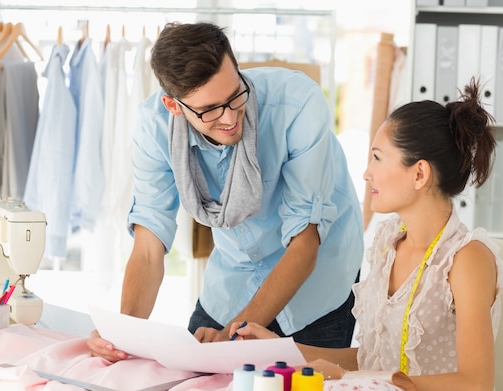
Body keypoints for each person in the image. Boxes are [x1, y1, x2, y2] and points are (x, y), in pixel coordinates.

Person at [231, 78, 503, 391]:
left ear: (419, 174)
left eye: (378, 158)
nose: (367, 174)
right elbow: (368, 361)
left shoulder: (466, 258)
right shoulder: (387, 243)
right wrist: (280, 349)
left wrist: (358, 381)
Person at [87, 21, 364, 360]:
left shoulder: (297, 103)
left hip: (316, 288)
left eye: (235, 96)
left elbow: (305, 243)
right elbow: (148, 248)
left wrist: (230, 337)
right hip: (232, 281)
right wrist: (124, 334)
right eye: (209, 110)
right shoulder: (154, 127)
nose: (231, 118)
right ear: (174, 106)